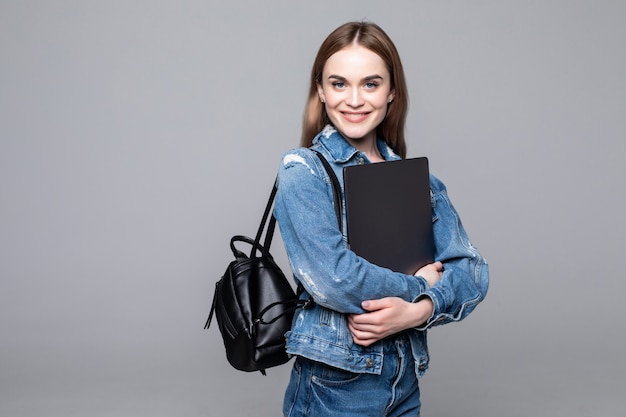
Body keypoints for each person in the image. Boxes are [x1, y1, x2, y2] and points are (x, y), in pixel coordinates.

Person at [273, 21, 489, 417]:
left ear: (392, 93)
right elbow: (335, 278)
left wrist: (419, 311)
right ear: (320, 90)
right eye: (339, 84)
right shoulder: (303, 170)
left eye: (370, 84)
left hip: (404, 381)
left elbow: (472, 272)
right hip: (334, 388)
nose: (354, 99)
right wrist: (420, 285)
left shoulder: (415, 180)